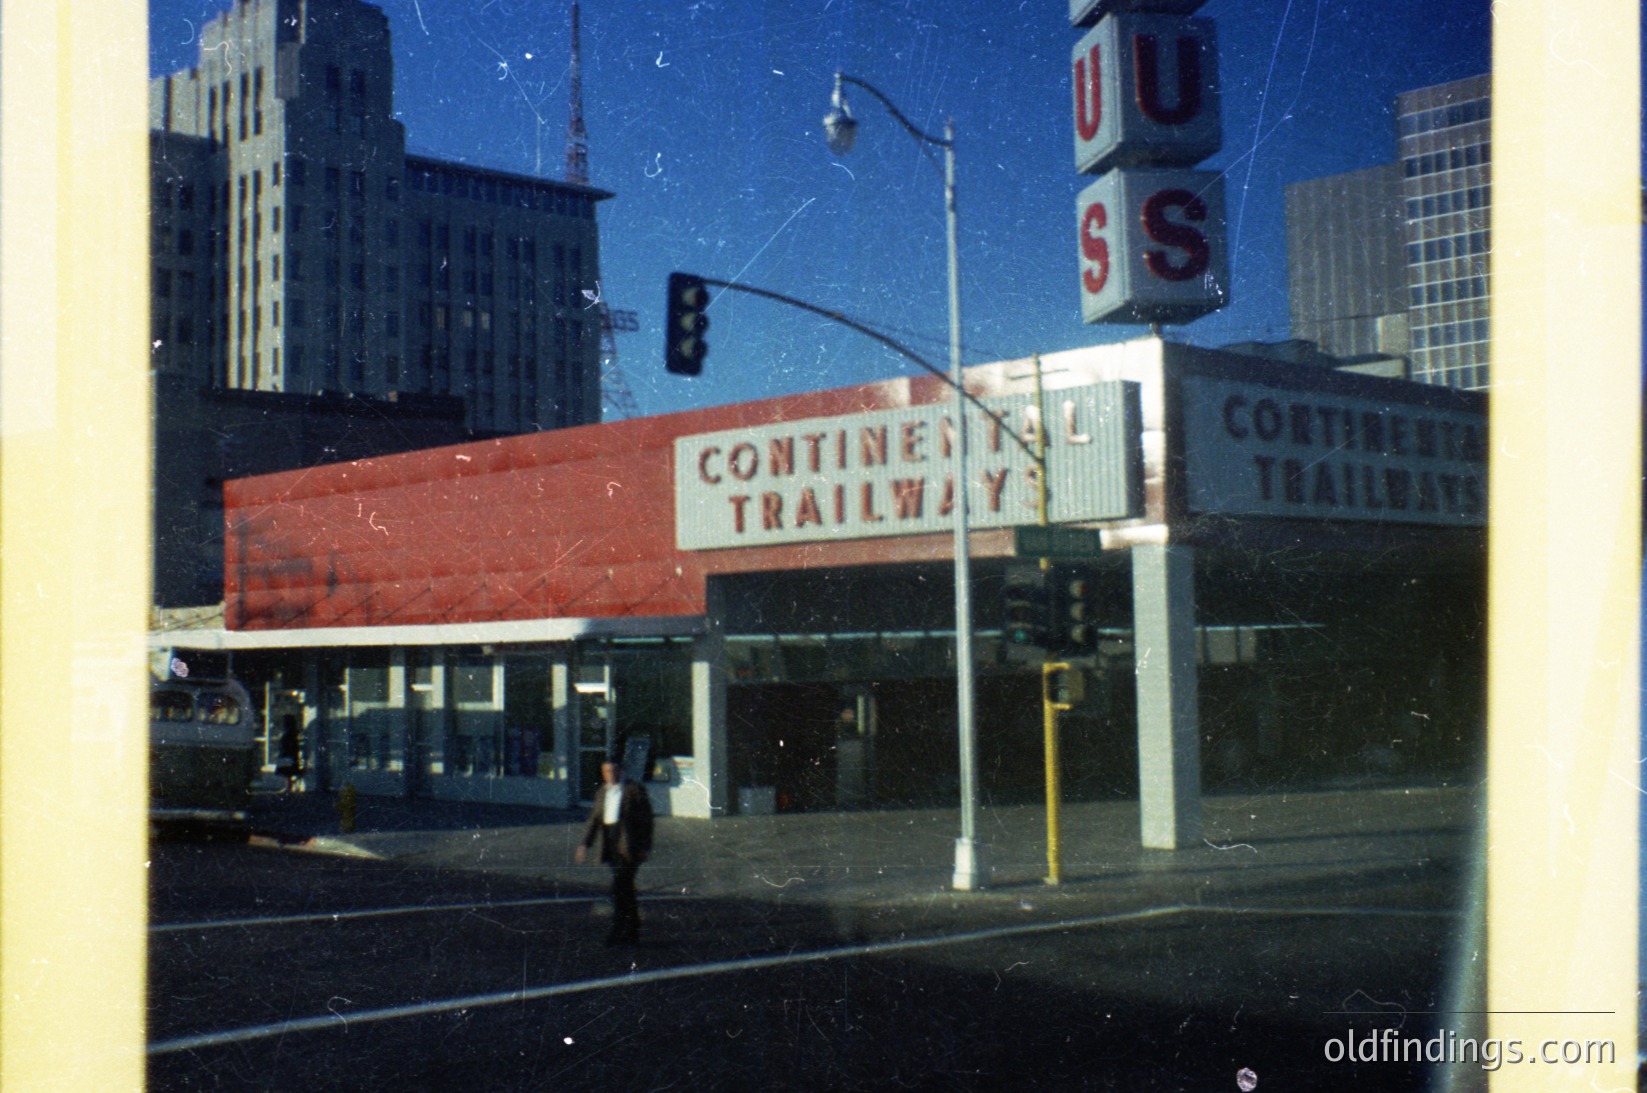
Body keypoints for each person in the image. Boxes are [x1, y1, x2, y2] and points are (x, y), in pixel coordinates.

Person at [575, 759, 654, 945]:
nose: (610, 774)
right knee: (624, 887)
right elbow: (594, 820)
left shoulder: (634, 790)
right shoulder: (602, 792)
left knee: (620, 886)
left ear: (622, 771)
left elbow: (647, 821)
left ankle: (618, 929)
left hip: (628, 844)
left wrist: (644, 847)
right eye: (606, 771)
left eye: (613, 770)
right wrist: (584, 844)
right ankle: (632, 928)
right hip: (610, 842)